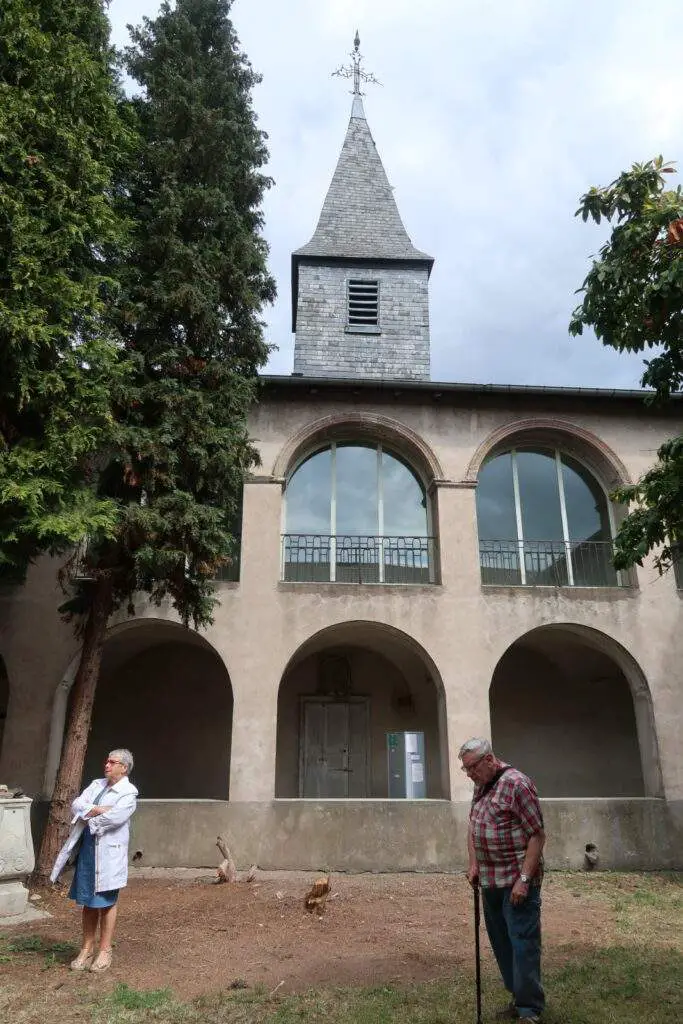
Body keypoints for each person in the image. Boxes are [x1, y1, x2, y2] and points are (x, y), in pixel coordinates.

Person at [459, 737, 545, 1022]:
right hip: (490, 881)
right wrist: (474, 864)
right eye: (465, 769)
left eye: (472, 767)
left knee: (522, 942)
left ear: (489, 759)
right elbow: (474, 827)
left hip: (515, 881)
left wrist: (524, 879)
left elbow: (537, 834)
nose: (469, 773)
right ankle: (517, 997)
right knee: (502, 943)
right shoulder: (481, 786)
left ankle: (529, 1010)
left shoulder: (518, 784)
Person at [50, 748, 138, 973]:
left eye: (112, 762)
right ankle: (86, 948)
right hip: (88, 852)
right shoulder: (96, 784)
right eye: (106, 761)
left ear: (124, 767)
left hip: (109, 854)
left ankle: (105, 950)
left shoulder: (128, 793)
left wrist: (89, 815)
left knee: (106, 902)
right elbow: (77, 804)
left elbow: (115, 817)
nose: (106, 765)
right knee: (87, 902)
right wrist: (97, 809)